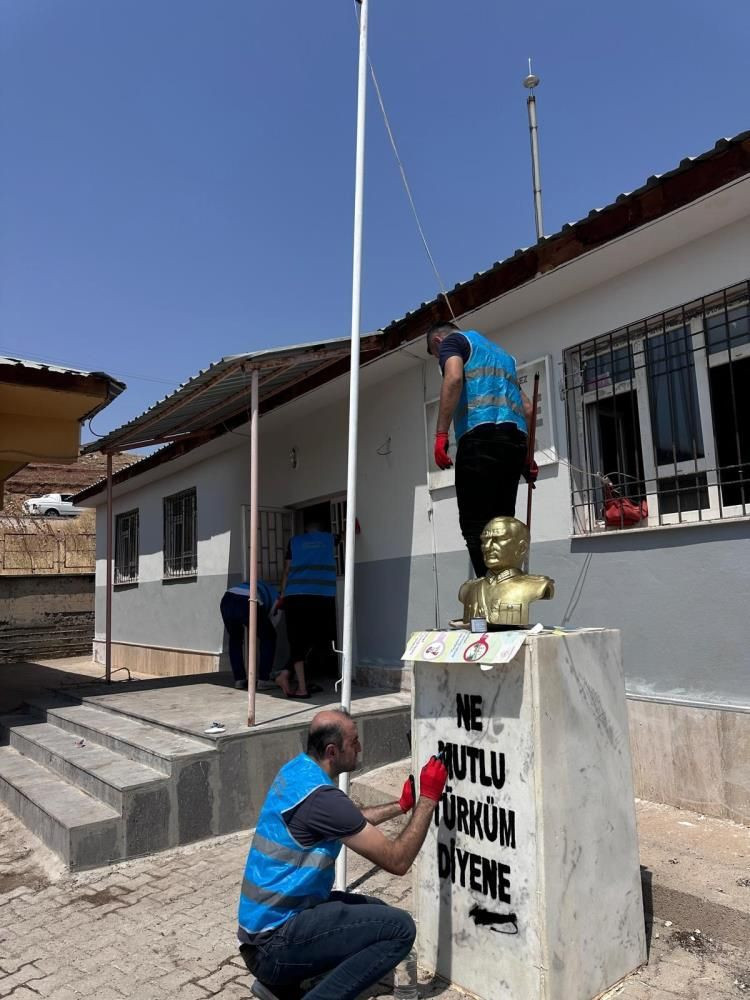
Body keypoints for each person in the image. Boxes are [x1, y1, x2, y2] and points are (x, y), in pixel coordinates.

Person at [237, 708, 448, 1000]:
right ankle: (295, 984)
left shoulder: (298, 771)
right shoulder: (322, 798)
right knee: (399, 929)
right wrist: (428, 799)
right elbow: (398, 861)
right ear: (333, 751)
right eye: (355, 741)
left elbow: (350, 819)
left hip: (265, 930)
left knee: (377, 911)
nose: (360, 747)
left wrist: (400, 806)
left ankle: (279, 986)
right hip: (273, 943)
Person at [426, 320, 535, 577]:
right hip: (514, 442)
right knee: (502, 524)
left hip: (479, 438)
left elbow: (453, 379)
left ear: (437, 342)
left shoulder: (453, 343)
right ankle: (506, 597)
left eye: (436, 356)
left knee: (475, 525)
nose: (439, 360)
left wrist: (441, 433)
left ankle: (489, 595)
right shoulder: (505, 357)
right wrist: (527, 458)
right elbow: (527, 409)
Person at [274, 521, 337, 699]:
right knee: (317, 637)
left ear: (306, 529)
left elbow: (287, 570)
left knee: (296, 640)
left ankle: (296, 683)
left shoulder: (295, 542)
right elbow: (348, 537)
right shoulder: (330, 538)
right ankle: (289, 677)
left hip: (295, 595)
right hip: (322, 595)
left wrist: (282, 594)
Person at [458, 516, 554, 627]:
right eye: (484, 541)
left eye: (497, 540)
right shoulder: (469, 588)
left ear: (522, 548)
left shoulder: (537, 585)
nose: (487, 547)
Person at [220, 579, 278, 690]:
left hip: (227, 599)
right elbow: (271, 619)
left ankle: (239, 679)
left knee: (235, 639)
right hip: (247, 601)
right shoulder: (277, 597)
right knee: (269, 637)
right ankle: (264, 680)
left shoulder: (260, 586)